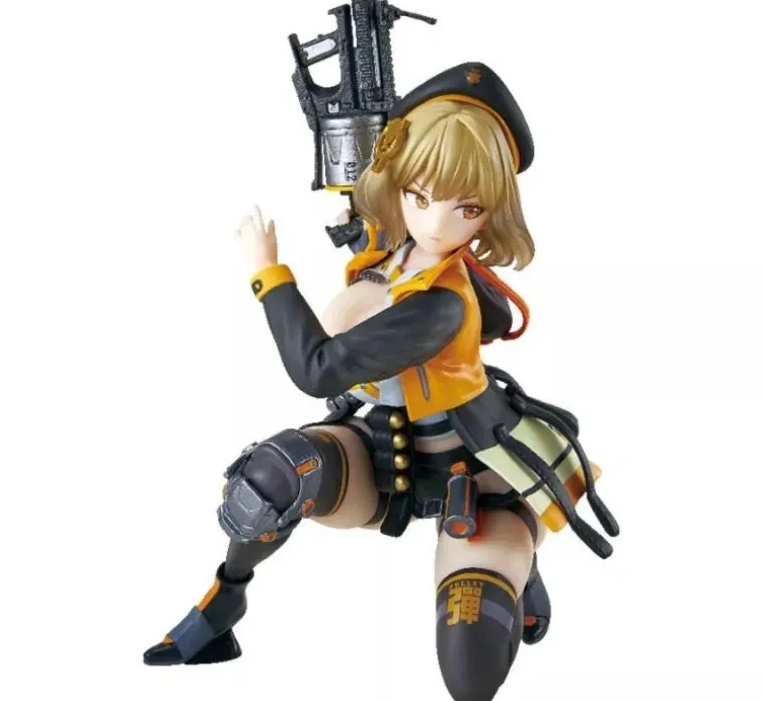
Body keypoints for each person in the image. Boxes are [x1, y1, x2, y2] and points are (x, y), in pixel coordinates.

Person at [143, 62, 617, 701]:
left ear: (490, 211)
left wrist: (269, 273)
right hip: (382, 455)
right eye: (419, 196)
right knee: (270, 478)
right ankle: (225, 602)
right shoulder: (395, 246)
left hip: (473, 476)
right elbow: (376, 221)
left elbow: (316, 370)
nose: (437, 224)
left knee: (470, 659)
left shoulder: (439, 307)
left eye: (466, 208)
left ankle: (518, 563)